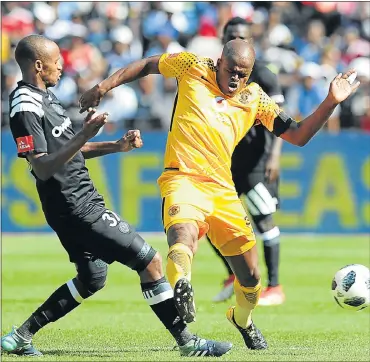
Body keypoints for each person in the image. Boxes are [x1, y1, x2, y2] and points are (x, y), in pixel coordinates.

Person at [79, 39, 359, 350]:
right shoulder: (191, 66)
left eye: (243, 73)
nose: (236, 78)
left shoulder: (256, 99)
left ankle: (242, 319)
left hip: (223, 191)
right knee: (182, 236)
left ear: (250, 73)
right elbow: (147, 64)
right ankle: (181, 284)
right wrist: (104, 86)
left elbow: (298, 134)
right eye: (231, 70)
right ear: (218, 62)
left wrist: (331, 101)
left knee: (251, 278)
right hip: (181, 178)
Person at [1, 35, 232, 358]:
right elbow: (41, 167)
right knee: (150, 261)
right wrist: (84, 132)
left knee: (93, 277)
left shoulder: (46, 99)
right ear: (39, 65)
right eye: (57, 61)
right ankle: (188, 343)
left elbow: (71, 151)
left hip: (72, 201)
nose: (62, 66)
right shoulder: (25, 105)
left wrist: (116, 146)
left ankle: (20, 336)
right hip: (74, 204)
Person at [210, 17, 286, 305]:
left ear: (250, 40)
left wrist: (275, 156)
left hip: (255, 164)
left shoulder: (264, 76)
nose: (236, 40)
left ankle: (275, 287)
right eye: (231, 36)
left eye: (241, 36)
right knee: (208, 222)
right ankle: (233, 273)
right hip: (225, 164)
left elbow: (279, 121)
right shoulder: (215, 73)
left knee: (264, 221)